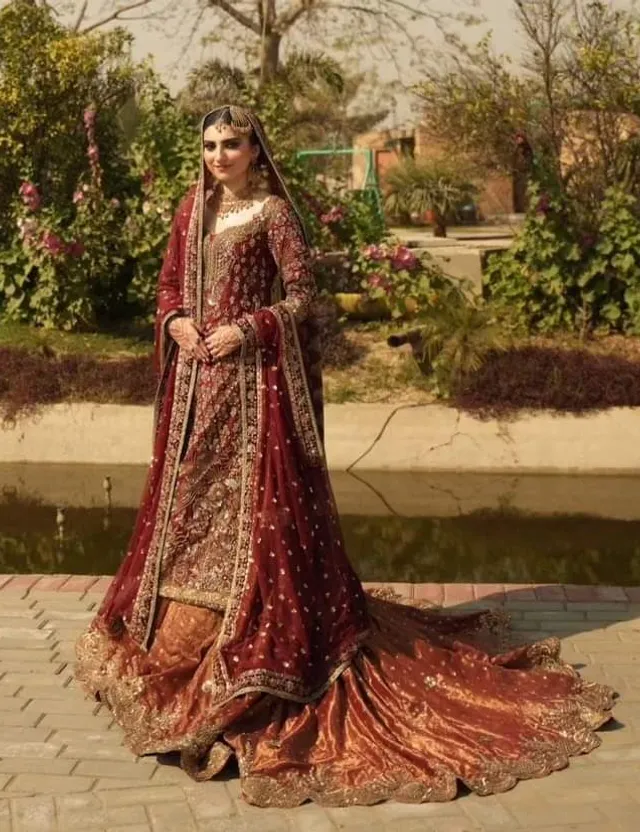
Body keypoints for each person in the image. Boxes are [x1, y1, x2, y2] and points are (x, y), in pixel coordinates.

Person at [75, 105, 615, 808]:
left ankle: (251, 641)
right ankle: (183, 634)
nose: (217, 157)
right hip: (194, 392)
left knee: (258, 517)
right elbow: (171, 285)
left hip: (251, 393)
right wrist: (176, 323)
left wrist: (246, 329)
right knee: (189, 506)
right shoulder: (191, 208)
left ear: (255, 150)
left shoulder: (272, 214)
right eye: (208, 146)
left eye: (230, 145)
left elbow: (301, 299)